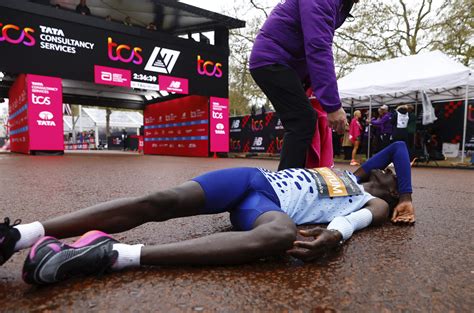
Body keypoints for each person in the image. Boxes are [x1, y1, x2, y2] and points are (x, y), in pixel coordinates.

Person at [0, 142, 415, 285]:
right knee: (160, 200)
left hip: (265, 208)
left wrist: (337, 236)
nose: (385, 167)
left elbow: (353, 222)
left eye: (391, 175)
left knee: (279, 238)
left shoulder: (370, 201)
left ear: (391, 191)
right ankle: (19, 236)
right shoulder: (357, 172)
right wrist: (399, 180)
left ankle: (114, 255)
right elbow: (397, 145)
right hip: (251, 178)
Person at [249, 0, 358, 170]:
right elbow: (318, 47)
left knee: (304, 120)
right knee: (303, 120)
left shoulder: (341, 5)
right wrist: (333, 105)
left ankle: (294, 179)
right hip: (272, 60)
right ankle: (285, 187)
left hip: (286, 64)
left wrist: (311, 83)